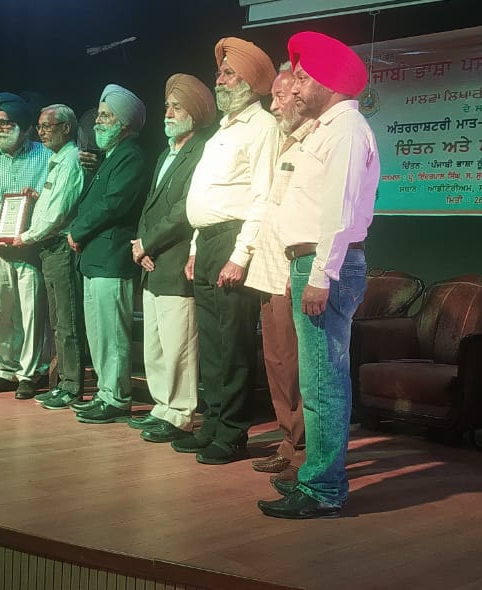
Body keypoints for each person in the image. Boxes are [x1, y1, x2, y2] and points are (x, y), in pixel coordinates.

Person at [257, 32, 379, 520]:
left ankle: (324, 489)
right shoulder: (324, 129)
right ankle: (317, 477)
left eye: (305, 78)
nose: (296, 86)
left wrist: (321, 275)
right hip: (311, 261)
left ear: (329, 83)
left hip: (327, 262)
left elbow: (339, 213)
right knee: (318, 378)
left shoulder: (345, 129)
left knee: (324, 380)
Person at [173, 37, 280, 464]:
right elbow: (206, 197)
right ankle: (213, 424)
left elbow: (263, 195)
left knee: (233, 344)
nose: (219, 80)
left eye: (229, 74)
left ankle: (234, 433)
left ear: (250, 82)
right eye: (219, 73)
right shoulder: (223, 128)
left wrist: (241, 255)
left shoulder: (262, 127)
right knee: (212, 345)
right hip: (207, 241)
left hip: (235, 240)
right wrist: (195, 247)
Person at [128, 74, 216, 442]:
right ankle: (162, 406)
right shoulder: (167, 153)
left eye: (176, 107)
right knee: (156, 343)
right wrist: (141, 245)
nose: (168, 113)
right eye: (167, 106)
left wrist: (147, 243)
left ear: (194, 113)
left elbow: (184, 210)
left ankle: (180, 413)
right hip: (152, 260)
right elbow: (150, 206)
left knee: (179, 344)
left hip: (177, 259)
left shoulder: (202, 152)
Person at [243, 63, 318, 487]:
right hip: (270, 268)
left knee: (296, 364)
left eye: (278, 97)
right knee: (276, 363)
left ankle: (304, 451)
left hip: (294, 270)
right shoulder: (284, 140)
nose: (272, 105)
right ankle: (288, 443)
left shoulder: (315, 141)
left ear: (300, 97)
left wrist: (299, 270)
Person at [67, 85, 150, 424]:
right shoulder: (112, 155)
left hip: (112, 257)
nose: (98, 122)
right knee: (99, 333)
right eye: (99, 115)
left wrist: (78, 230)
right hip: (96, 258)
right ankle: (105, 392)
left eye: (105, 116)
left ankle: (116, 397)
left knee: (112, 334)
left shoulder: (131, 156)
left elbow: (113, 203)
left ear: (125, 123)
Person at [0, 93, 53, 399]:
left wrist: (38, 200)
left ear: (23, 126)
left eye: (5, 123)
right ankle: (5, 370)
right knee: (0, 310)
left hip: (30, 243)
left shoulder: (46, 155)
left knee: (31, 310)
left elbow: (56, 200)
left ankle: (30, 373)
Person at [17, 104, 86, 410]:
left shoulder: (71, 161)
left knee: (66, 321)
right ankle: (64, 384)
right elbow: (52, 203)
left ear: (66, 128)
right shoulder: (57, 160)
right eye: (40, 126)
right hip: (50, 248)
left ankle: (71, 388)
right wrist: (36, 199)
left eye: (47, 126)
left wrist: (26, 237)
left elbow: (58, 212)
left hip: (59, 247)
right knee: (58, 321)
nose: (41, 132)